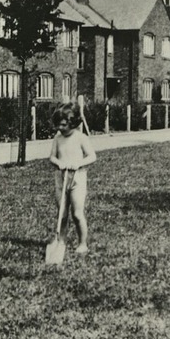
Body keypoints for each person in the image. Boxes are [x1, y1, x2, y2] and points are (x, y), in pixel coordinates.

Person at [48, 102, 97, 255]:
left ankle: (82, 243)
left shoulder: (81, 138)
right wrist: (59, 163)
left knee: (77, 213)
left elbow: (92, 156)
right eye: (58, 125)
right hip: (61, 179)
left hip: (77, 179)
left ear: (73, 123)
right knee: (62, 213)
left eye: (63, 125)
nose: (60, 128)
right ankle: (60, 242)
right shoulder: (58, 138)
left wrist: (78, 163)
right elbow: (51, 157)